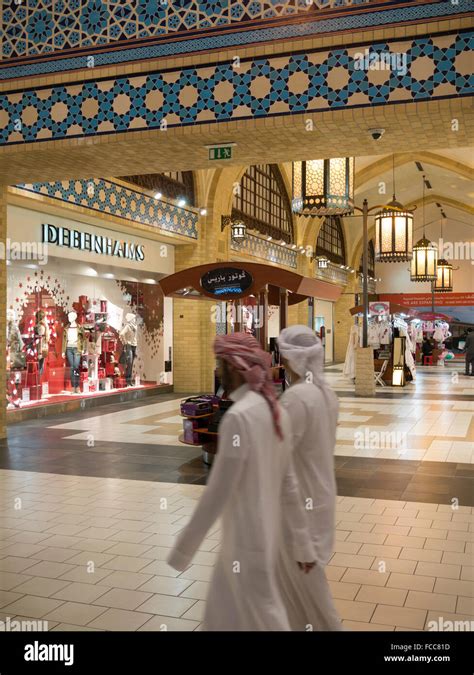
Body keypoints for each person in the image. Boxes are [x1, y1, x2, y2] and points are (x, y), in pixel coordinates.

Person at [167, 332, 315, 631]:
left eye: (220, 363)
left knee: (262, 615)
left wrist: (182, 549)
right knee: (228, 615)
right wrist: (301, 543)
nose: (218, 370)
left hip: (247, 541)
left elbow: (217, 493)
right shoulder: (276, 412)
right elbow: (289, 486)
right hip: (264, 535)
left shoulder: (240, 417)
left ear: (234, 366)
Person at [277, 325, 342, 631]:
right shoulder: (326, 394)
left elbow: (280, 464)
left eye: (283, 356)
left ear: (292, 358)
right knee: (294, 597)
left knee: (316, 600)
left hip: (300, 509)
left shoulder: (297, 398)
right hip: (320, 498)